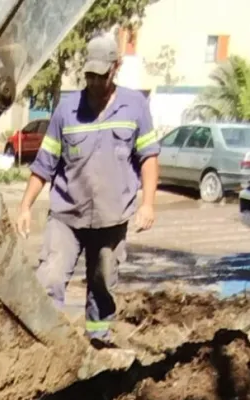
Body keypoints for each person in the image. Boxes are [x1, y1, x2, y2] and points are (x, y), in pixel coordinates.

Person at [17, 34, 159, 346]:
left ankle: (98, 340)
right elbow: (45, 162)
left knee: (103, 282)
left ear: (116, 67)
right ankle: (46, 344)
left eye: (101, 75)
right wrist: (26, 205)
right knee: (49, 277)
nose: (94, 82)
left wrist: (148, 203)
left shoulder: (134, 106)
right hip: (67, 215)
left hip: (112, 218)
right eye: (90, 75)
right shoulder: (67, 111)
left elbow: (148, 158)